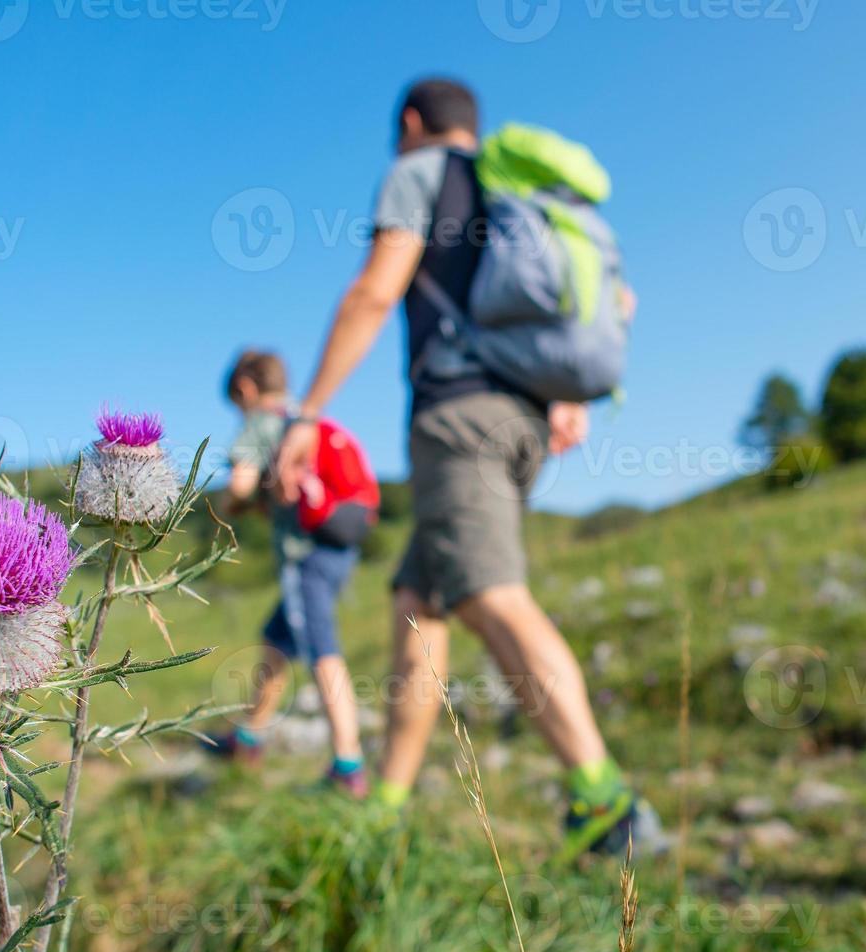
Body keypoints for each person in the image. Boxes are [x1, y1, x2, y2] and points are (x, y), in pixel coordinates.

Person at [273, 78, 662, 859]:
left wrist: (306, 412)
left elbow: (377, 288)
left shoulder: (419, 173)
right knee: (420, 605)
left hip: (459, 421)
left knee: (490, 594)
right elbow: (619, 302)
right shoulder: (519, 194)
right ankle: (386, 801)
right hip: (518, 419)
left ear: (411, 124)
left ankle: (607, 805)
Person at [206, 350, 369, 798]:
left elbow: (239, 485)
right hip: (339, 547)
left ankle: (348, 766)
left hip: (305, 556)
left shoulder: (262, 421)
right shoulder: (305, 416)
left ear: (246, 389)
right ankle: (249, 738)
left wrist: (232, 505)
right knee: (276, 639)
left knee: (321, 650)